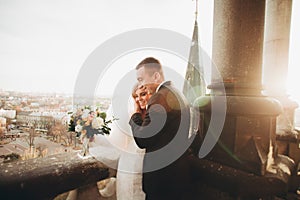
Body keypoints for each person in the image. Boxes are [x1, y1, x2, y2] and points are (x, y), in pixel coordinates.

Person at [129, 57, 192, 200]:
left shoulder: (159, 98)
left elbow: (143, 139)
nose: (141, 84)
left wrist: (135, 115)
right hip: (177, 176)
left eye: (141, 79)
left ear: (156, 76)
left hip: (162, 180)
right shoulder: (177, 93)